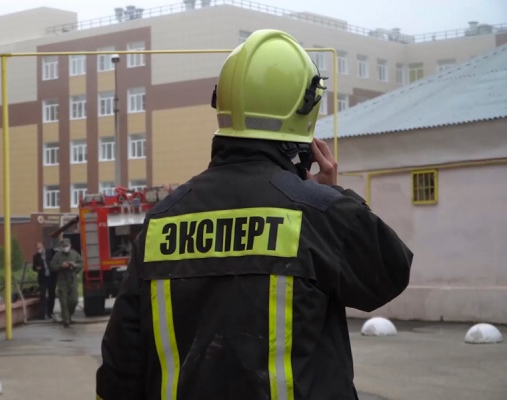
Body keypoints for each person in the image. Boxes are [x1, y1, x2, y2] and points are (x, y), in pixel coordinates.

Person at [96, 29, 413, 400]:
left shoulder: (161, 220)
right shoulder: (319, 214)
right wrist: (332, 196)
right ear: (305, 108)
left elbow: (120, 366)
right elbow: (389, 273)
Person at [50, 238, 83, 328]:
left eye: (66, 246)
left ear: (70, 246)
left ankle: (68, 315)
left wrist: (75, 265)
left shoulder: (74, 254)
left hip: (72, 278)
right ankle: (66, 321)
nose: (65, 247)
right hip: (62, 280)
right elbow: (52, 266)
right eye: (63, 246)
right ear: (61, 247)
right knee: (63, 301)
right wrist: (61, 266)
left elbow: (81, 263)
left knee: (74, 300)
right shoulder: (57, 256)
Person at [32, 241, 57, 320]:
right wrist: (36, 268)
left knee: (51, 294)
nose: (38, 250)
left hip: (51, 277)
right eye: (37, 248)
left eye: (39, 248)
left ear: (43, 247)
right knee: (42, 295)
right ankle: (42, 314)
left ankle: (50, 312)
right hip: (43, 278)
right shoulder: (36, 256)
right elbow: (34, 267)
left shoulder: (50, 252)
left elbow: (55, 261)